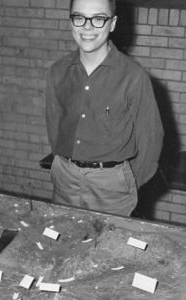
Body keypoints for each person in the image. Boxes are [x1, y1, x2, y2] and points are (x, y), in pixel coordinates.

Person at [45, 0, 164, 216]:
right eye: (79, 17)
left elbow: (151, 140)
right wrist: (63, 166)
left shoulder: (134, 77)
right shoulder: (58, 71)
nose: (87, 27)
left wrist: (126, 183)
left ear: (113, 23)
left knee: (109, 247)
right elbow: (54, 126)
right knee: (64, 245)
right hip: (65, 178)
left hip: (112, 187)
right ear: (71, 21)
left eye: (99, 19)